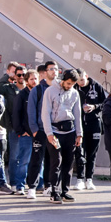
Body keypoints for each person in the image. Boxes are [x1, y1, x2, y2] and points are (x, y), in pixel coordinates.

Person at [41, 69, 82, 204]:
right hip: (55, 131)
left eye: (72, 84)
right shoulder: (50, 91)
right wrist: (49, 134)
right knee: (56, 161)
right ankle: (54, 191)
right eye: (68, 83)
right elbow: (45, 113)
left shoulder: (75, 93)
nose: (70, 86)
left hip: (70, 131)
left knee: (69, 162)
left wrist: (79, 134)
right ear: (63, 79)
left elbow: (77, 114)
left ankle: (65, 191)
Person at [26, 61, 58, 198]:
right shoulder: (37, 90)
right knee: (36, 159)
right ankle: (32, 187)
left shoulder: (59, 89)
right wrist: (34, 129)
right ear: (45, 72)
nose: (54, 71)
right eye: (51, 69)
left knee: (52, 159)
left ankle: (48, 186)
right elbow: (31, 111)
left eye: (56, 69)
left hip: (55, 130)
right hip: (40, 130)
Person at [74, 69, 106, 190]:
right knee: (79, 152)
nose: (80, 83)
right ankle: (80, 179)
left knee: (92, 153)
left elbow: (105, 103)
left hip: (94, 124)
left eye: (82, 79)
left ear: (86, 76)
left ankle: (89, 179)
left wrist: (94, 106)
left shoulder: (96, 86)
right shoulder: (75, 88)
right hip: (80, 124)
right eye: (78, 81)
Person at [11, 69, 37, 195]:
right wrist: (21, 131)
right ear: (27, 81)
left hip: (38, 133)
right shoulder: (21, 95)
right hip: (25, 134)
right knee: (24, 161)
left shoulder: (41, 93)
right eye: (32, 79)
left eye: (36, 78)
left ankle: (38, 185)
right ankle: (20, 185)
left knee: (38, 161)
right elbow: (16, 115)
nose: (34, 81)